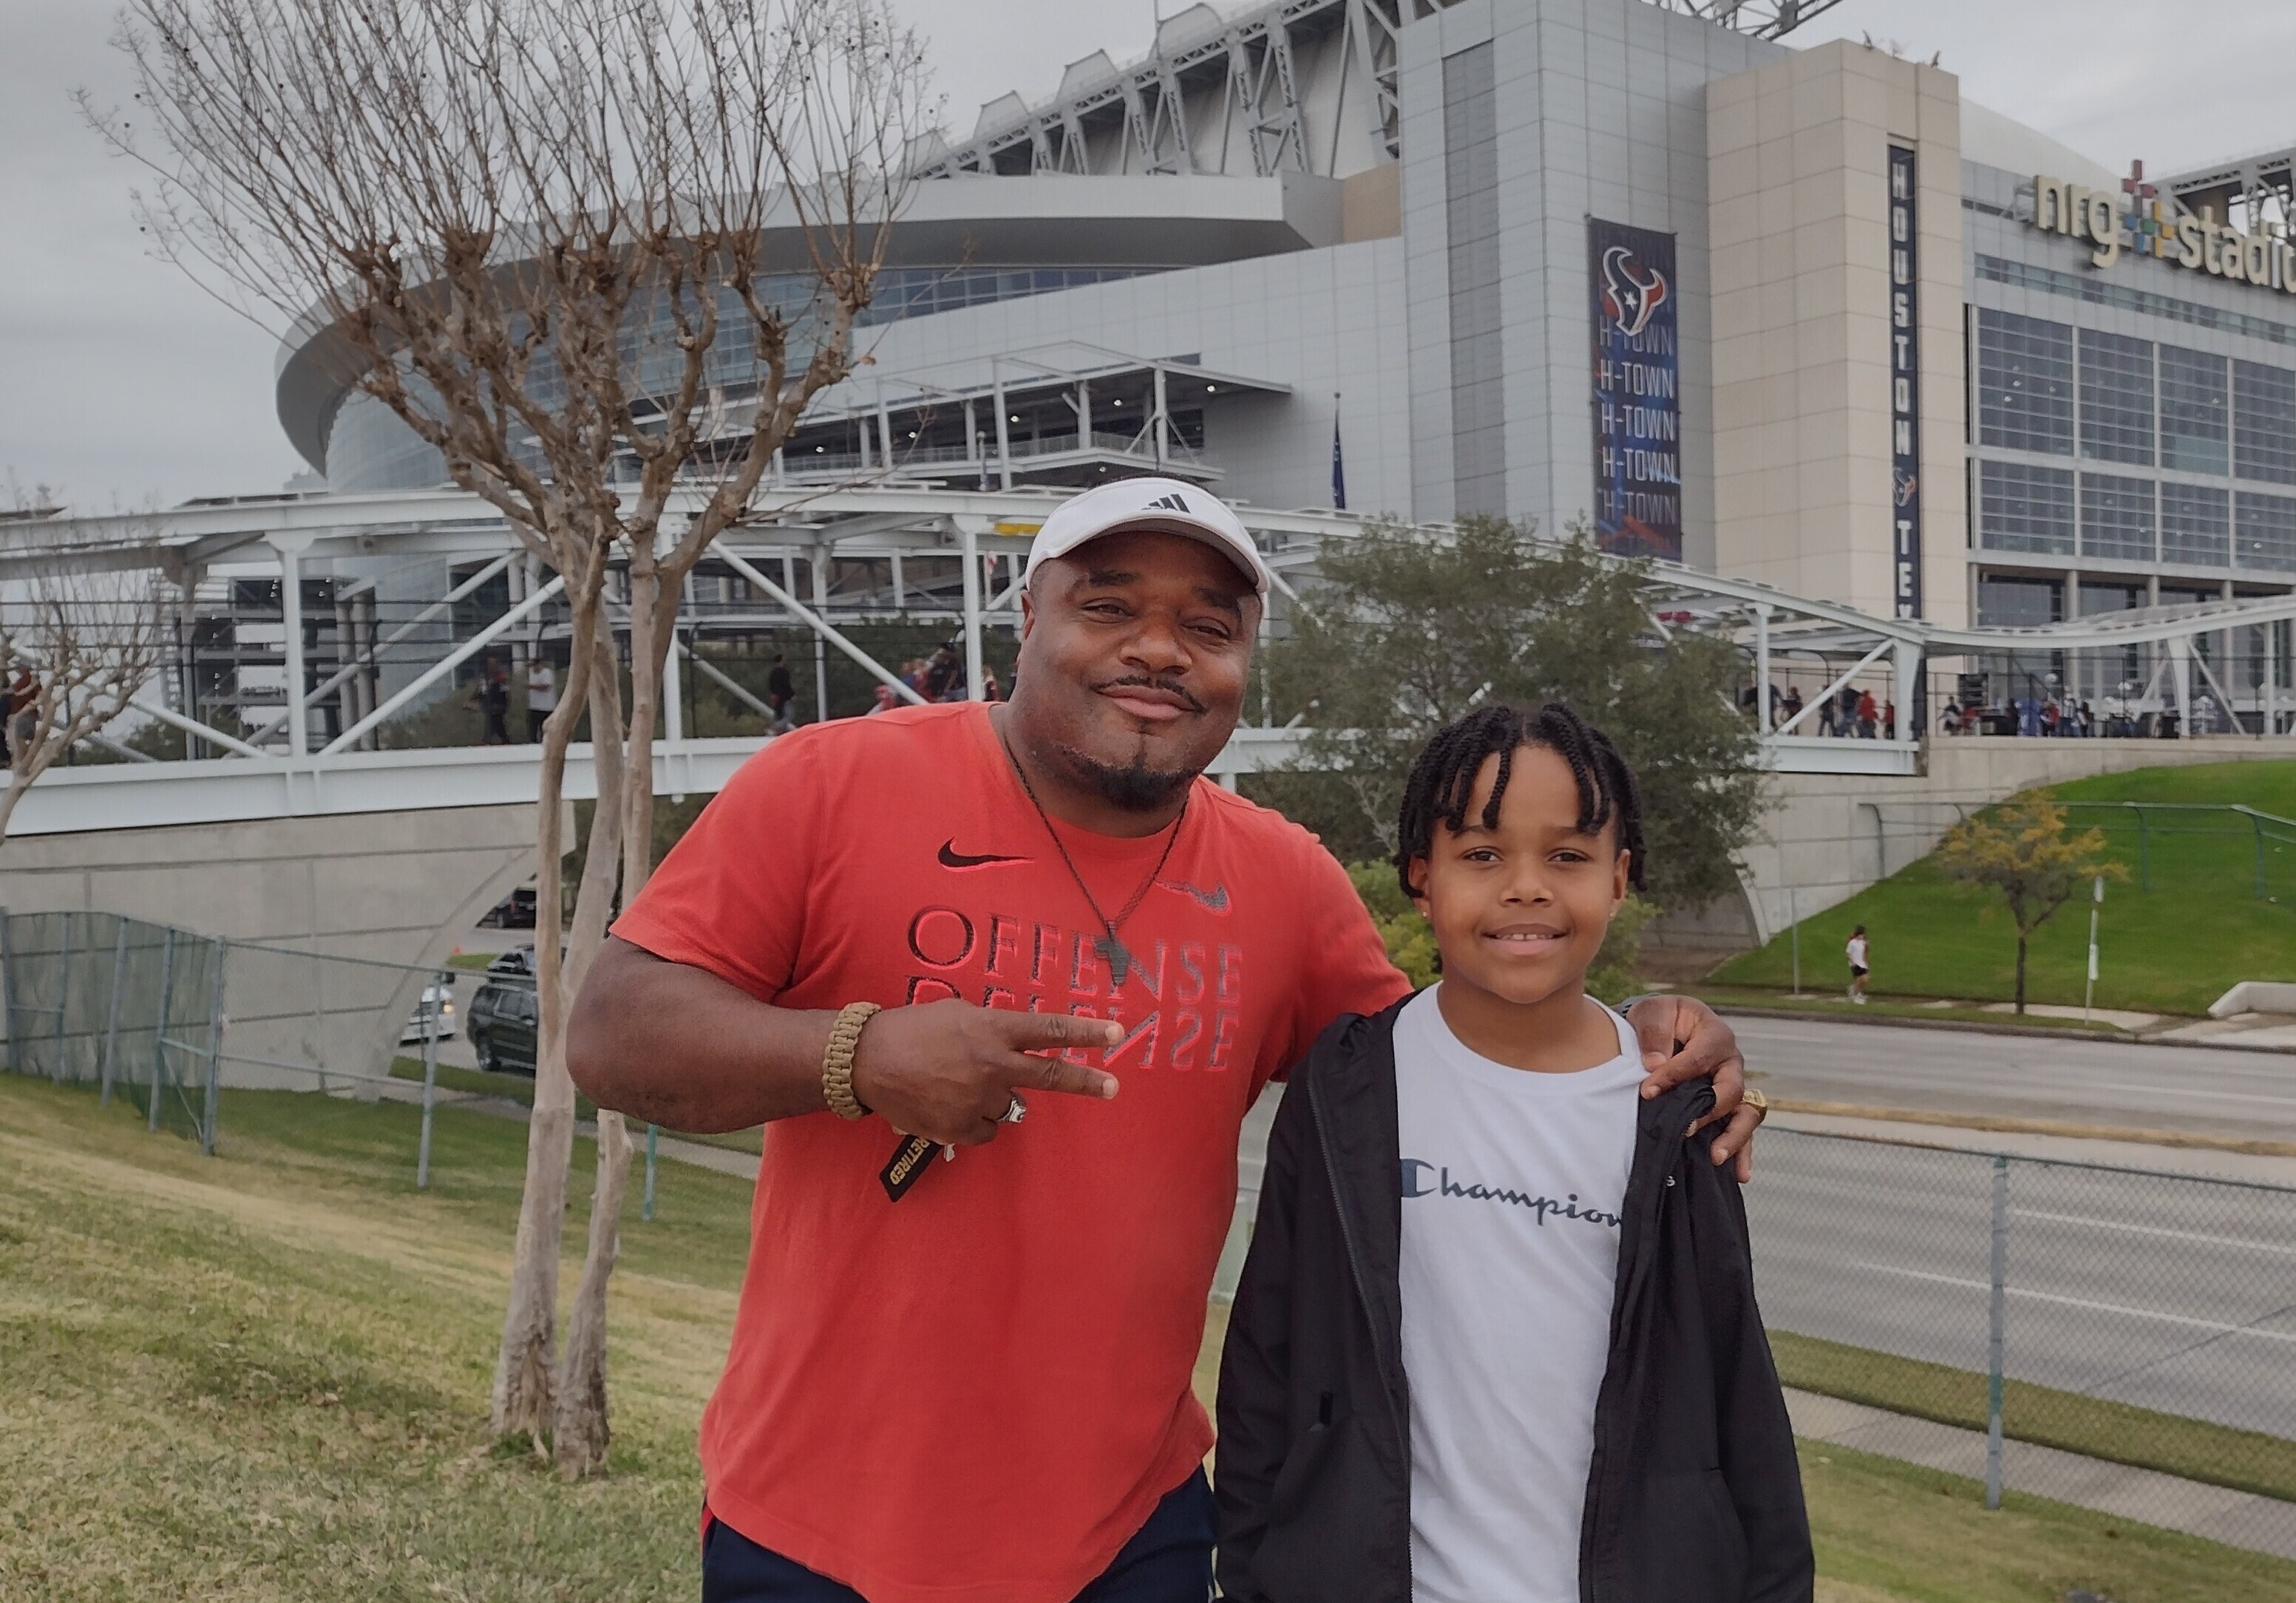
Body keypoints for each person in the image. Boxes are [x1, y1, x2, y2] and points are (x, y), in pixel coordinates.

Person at [564, 477, 1762, 1603]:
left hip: (1129, 1537)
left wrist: (1644, 1043)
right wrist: (860, 1057)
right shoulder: (826, 785)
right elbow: (612, 1031)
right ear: (1025, 613)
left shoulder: (1283, 880)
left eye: (1208, 625)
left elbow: (1447, 1054)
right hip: (819, 1527)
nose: (1158, 649)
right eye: (1109, 607)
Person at [1215, 703, 1811, 1603]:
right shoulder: (1346, 1087)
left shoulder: (1671, 1113)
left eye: (1567, 857)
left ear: (1619, 880)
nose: (1526, 887)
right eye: (1483, 854)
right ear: (1423, 878)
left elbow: (1735, 1391)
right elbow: (1268, 1363)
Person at [477, 657, 511, 745]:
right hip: (488, 706)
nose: (490, 666)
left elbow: (503, 692)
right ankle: (503, 740)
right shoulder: (485, 678)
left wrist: (500, 704)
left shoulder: (501, 677)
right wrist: (473, 700)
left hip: (498, 706)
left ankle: (487, 740)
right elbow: (481, 691)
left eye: (492, 664)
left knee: (494, 722)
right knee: (496, 723)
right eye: (489, 664)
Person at [526, 656, 557, 741]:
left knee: (546, 730)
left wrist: (532, 687)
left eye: (535, 665)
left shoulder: (547, 673)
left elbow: (546, 686)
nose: (533, 668)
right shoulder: (531, 673)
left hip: (546, 707)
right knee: (533, 730)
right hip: (534, 707)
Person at [1845, 923, 1869, 1004]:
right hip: (1855, 964)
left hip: (1862, 963)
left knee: (1865, 979)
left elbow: (1864, 952)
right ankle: (1856, 996)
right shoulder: (1852, 943)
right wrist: (1852, 961)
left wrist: (1865, 962)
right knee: (1860, 979)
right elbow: (1848, 953)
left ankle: (1854, 990)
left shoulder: (1863, 943)